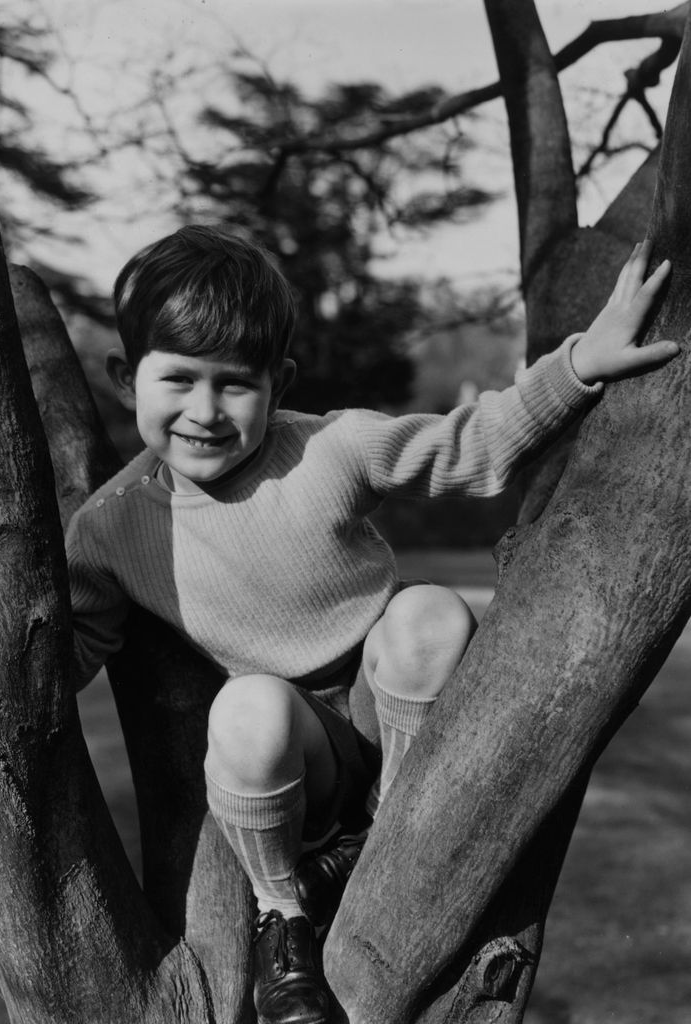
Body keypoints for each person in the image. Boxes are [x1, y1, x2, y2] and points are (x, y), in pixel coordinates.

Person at [61, 227, 675, 1024]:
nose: (204, 412)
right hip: (291, 749)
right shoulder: (110, 526)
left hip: (390, 702)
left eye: (234, 384)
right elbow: (67, 649)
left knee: (427, 611)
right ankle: (282, 915)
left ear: (276, 385)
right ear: (124, 378)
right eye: (177, 379)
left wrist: (578, 364)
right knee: (245, 706)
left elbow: (469, 446)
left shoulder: (329, 448)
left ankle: (395, 830)